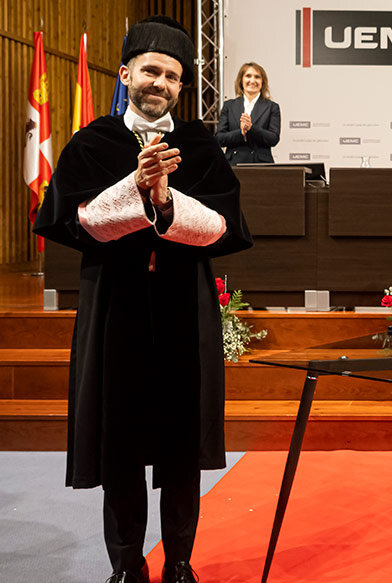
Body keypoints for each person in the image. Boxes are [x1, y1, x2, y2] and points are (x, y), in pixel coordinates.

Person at [32, 16, 252, 583]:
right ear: (126, 73)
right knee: (119, 442)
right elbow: (81, 222)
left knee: (183, 445)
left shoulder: (200, 144)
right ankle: (128, 565)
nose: (161, 83)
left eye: (173, 76)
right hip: (116, 309)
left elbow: (222, 229)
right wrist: (136, 187)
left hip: (184, 307)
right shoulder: (94, 142)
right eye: (151, 70)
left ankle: (179, 562)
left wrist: (165, 196)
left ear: (182, 87)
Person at [216, 62, 281, 165]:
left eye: (257, 77)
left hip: (261, 165)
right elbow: (219, 138)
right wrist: (241, 132)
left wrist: (252, 128)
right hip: (233, 164)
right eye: (248, 76)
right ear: (241, 80)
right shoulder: (229, 105)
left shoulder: (272, 107)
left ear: (262, 81)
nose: (252, 80)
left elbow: (273, 138)